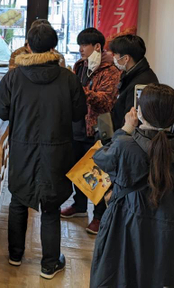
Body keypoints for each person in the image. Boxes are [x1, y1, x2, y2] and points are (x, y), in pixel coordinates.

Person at [0, 24, 87, 280]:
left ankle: (15, 255)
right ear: (53, 47)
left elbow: (0, 110)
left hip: (22, 148)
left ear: (28, 46)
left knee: (18, 200)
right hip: (57, 150)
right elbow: (79, 113)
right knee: (51, 207)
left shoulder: (14, 77)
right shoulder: (68, 77)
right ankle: (49, 264)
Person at [89, 84, 174, 288]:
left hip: (125, 224)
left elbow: (100, 158)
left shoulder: (125, 145)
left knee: (119, 277)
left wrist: (125, 129)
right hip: (167, 228)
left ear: (140, 113)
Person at [60, 28, 120, 234]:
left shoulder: (111, 71)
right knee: (77, 169)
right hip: (76, 125)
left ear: (97, 47)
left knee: (98, 174)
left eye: (84, 45)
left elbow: (105, 101)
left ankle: (99, 216)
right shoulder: (80, 66)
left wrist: (79, 90)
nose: (80, 49)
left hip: (97, 129)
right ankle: (79, 205)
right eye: (79, 45)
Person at [108, 34, 158, 130]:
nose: (113, 57)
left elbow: (133, 121)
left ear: (126, 58)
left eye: (115, 54)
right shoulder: (131, 74)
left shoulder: (140, 84)